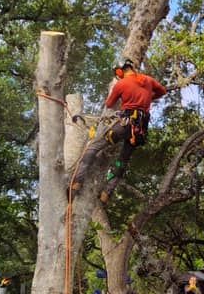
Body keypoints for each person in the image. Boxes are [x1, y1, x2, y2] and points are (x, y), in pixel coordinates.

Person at [70, 59, 166, 201]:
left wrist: (123, 96)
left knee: (93, 147)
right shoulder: (148, 80)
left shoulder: (122, 83)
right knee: (122, 161)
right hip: (140, 130)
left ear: (120, 71)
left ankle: (77, 182)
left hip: (125, 124)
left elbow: (109, 104)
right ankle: (106, 193)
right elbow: (162, 91)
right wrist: (148, 97)